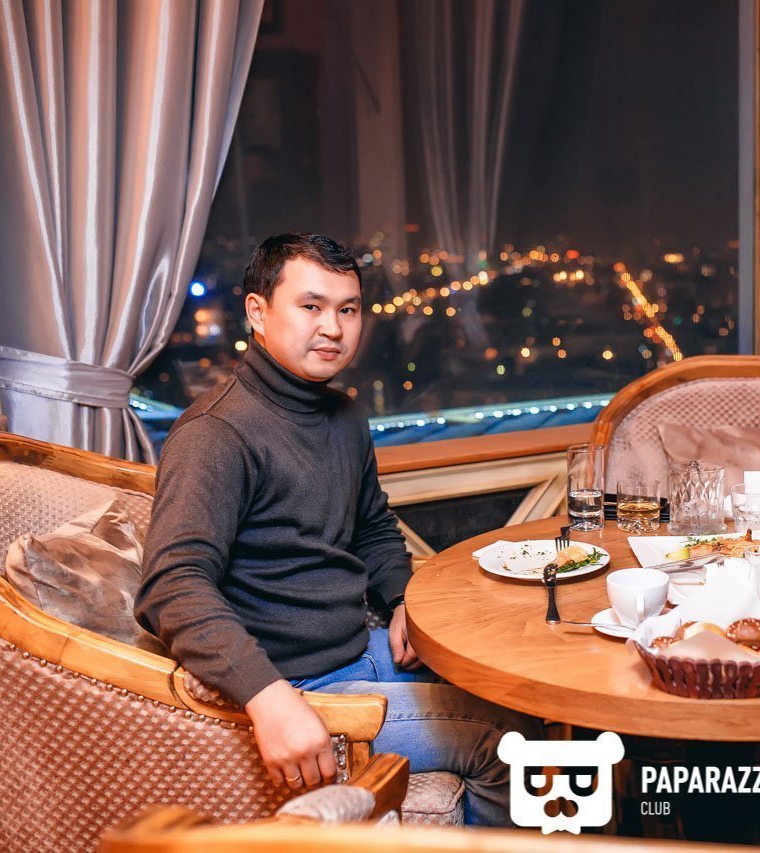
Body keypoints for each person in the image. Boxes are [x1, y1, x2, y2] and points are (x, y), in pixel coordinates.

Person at [135, 233, 541, 826]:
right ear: (257, 312)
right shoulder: (216, 433)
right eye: (311, 305)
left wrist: (402, 601)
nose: (332, 327)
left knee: (515, 678)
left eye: (347, 309)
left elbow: (372, 527)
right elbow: (171, 585)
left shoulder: (343, 414)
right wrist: (269, 698)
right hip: (294, 683)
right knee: (511, 743)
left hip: (357, 648)